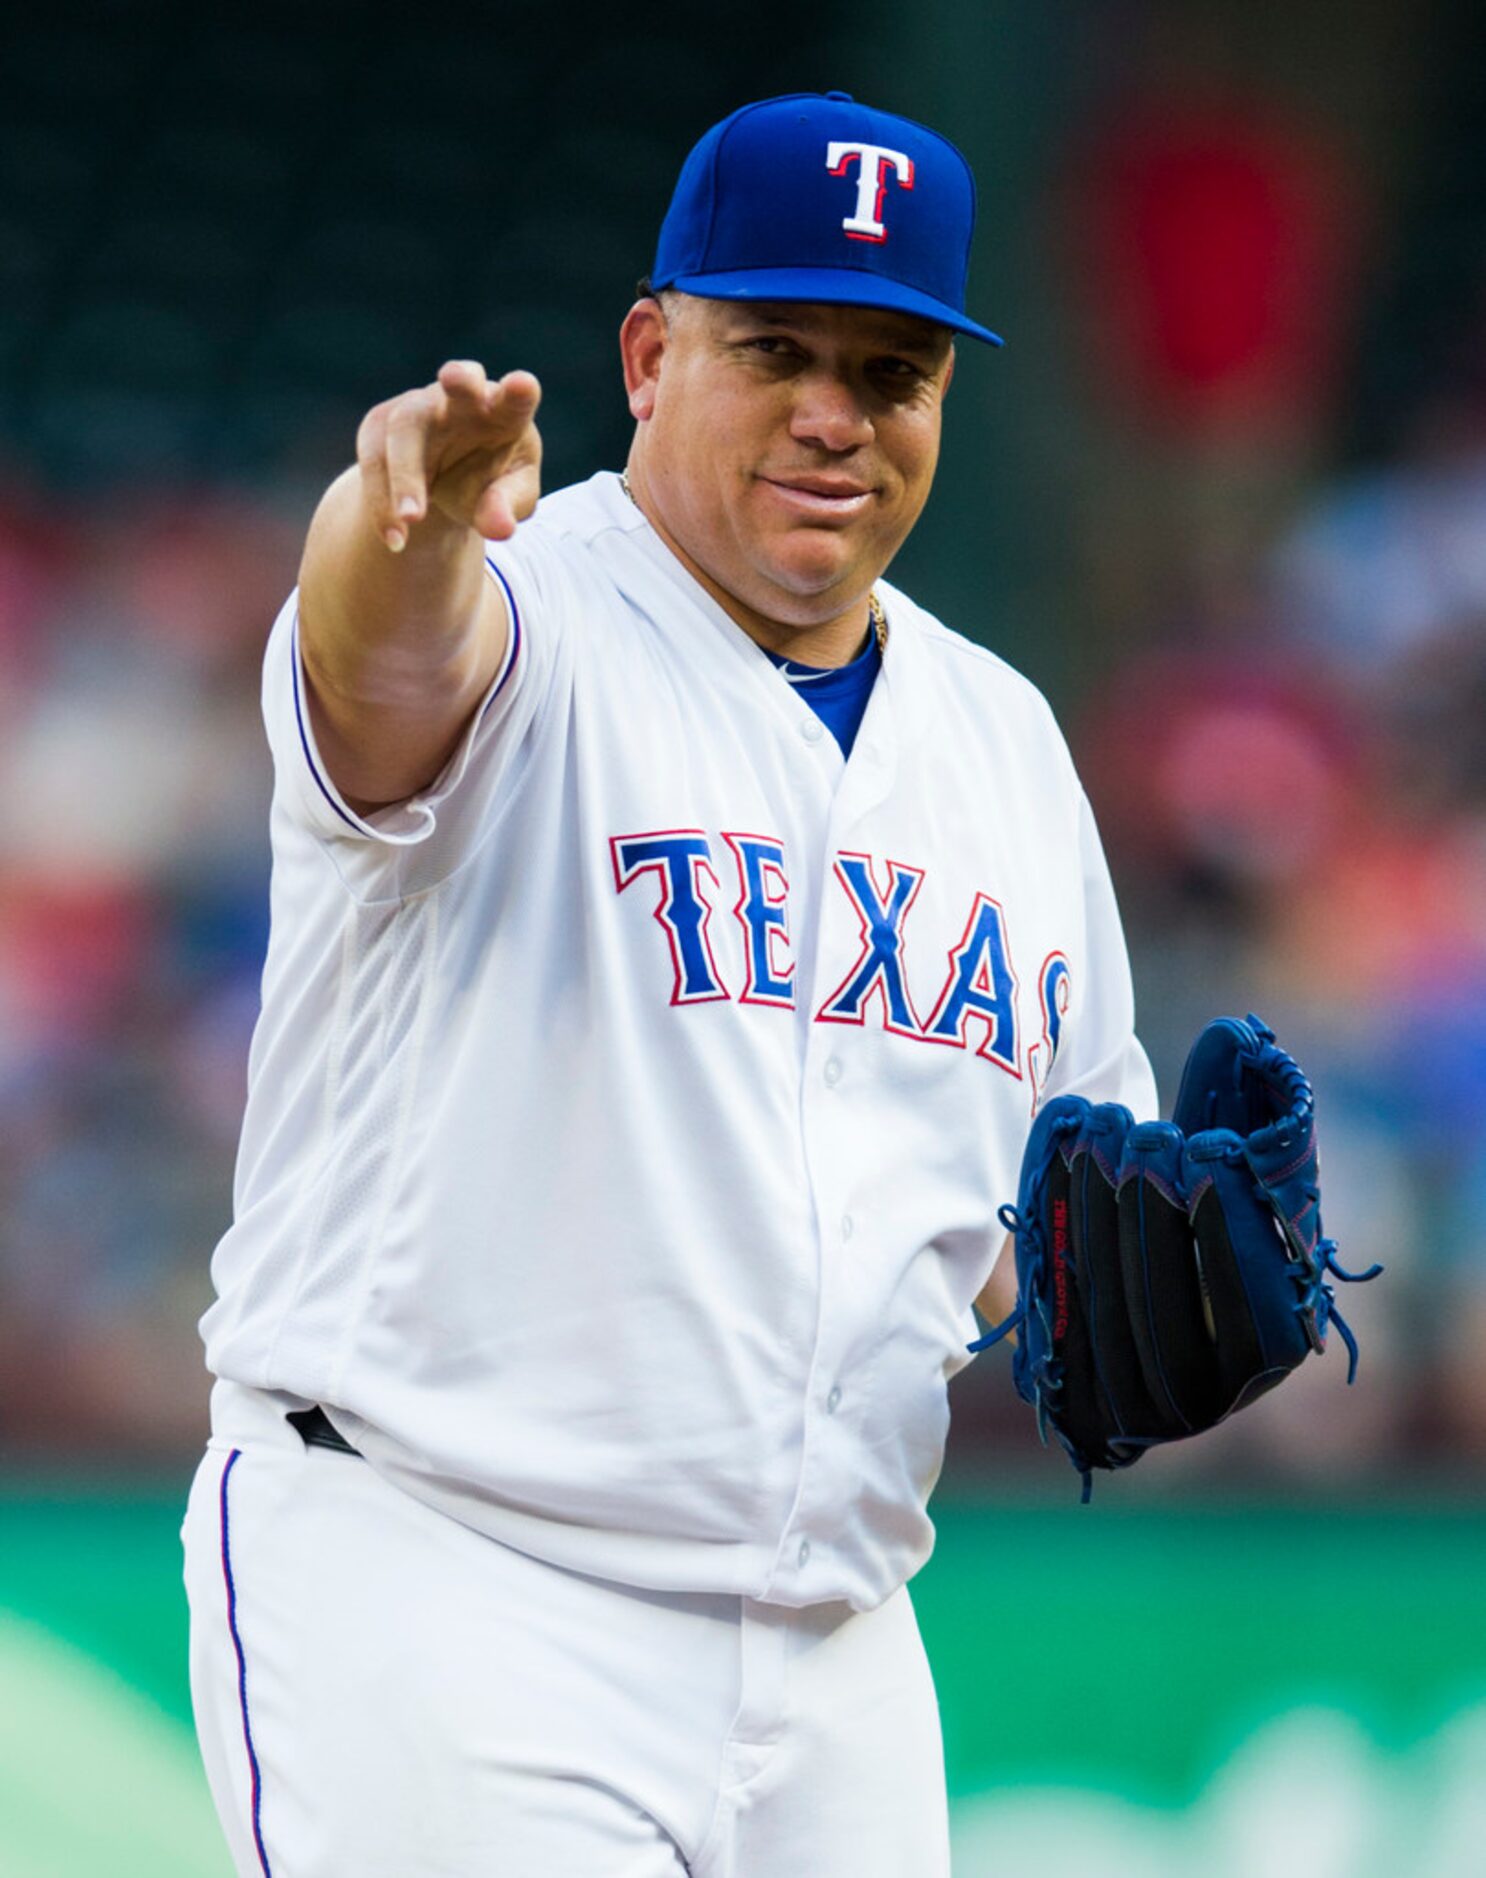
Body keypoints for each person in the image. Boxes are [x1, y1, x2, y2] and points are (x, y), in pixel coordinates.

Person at [181, 90, 1155, 1876]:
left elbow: (1068, 1197)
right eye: (774, 345)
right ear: (646, 351)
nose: (833, 415)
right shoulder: (522, 617)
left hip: (838, 1638)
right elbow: (383, 648)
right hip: (449, 1576)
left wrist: (1149, 1303)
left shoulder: (1004, 742)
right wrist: (394, 523)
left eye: (892, 371)